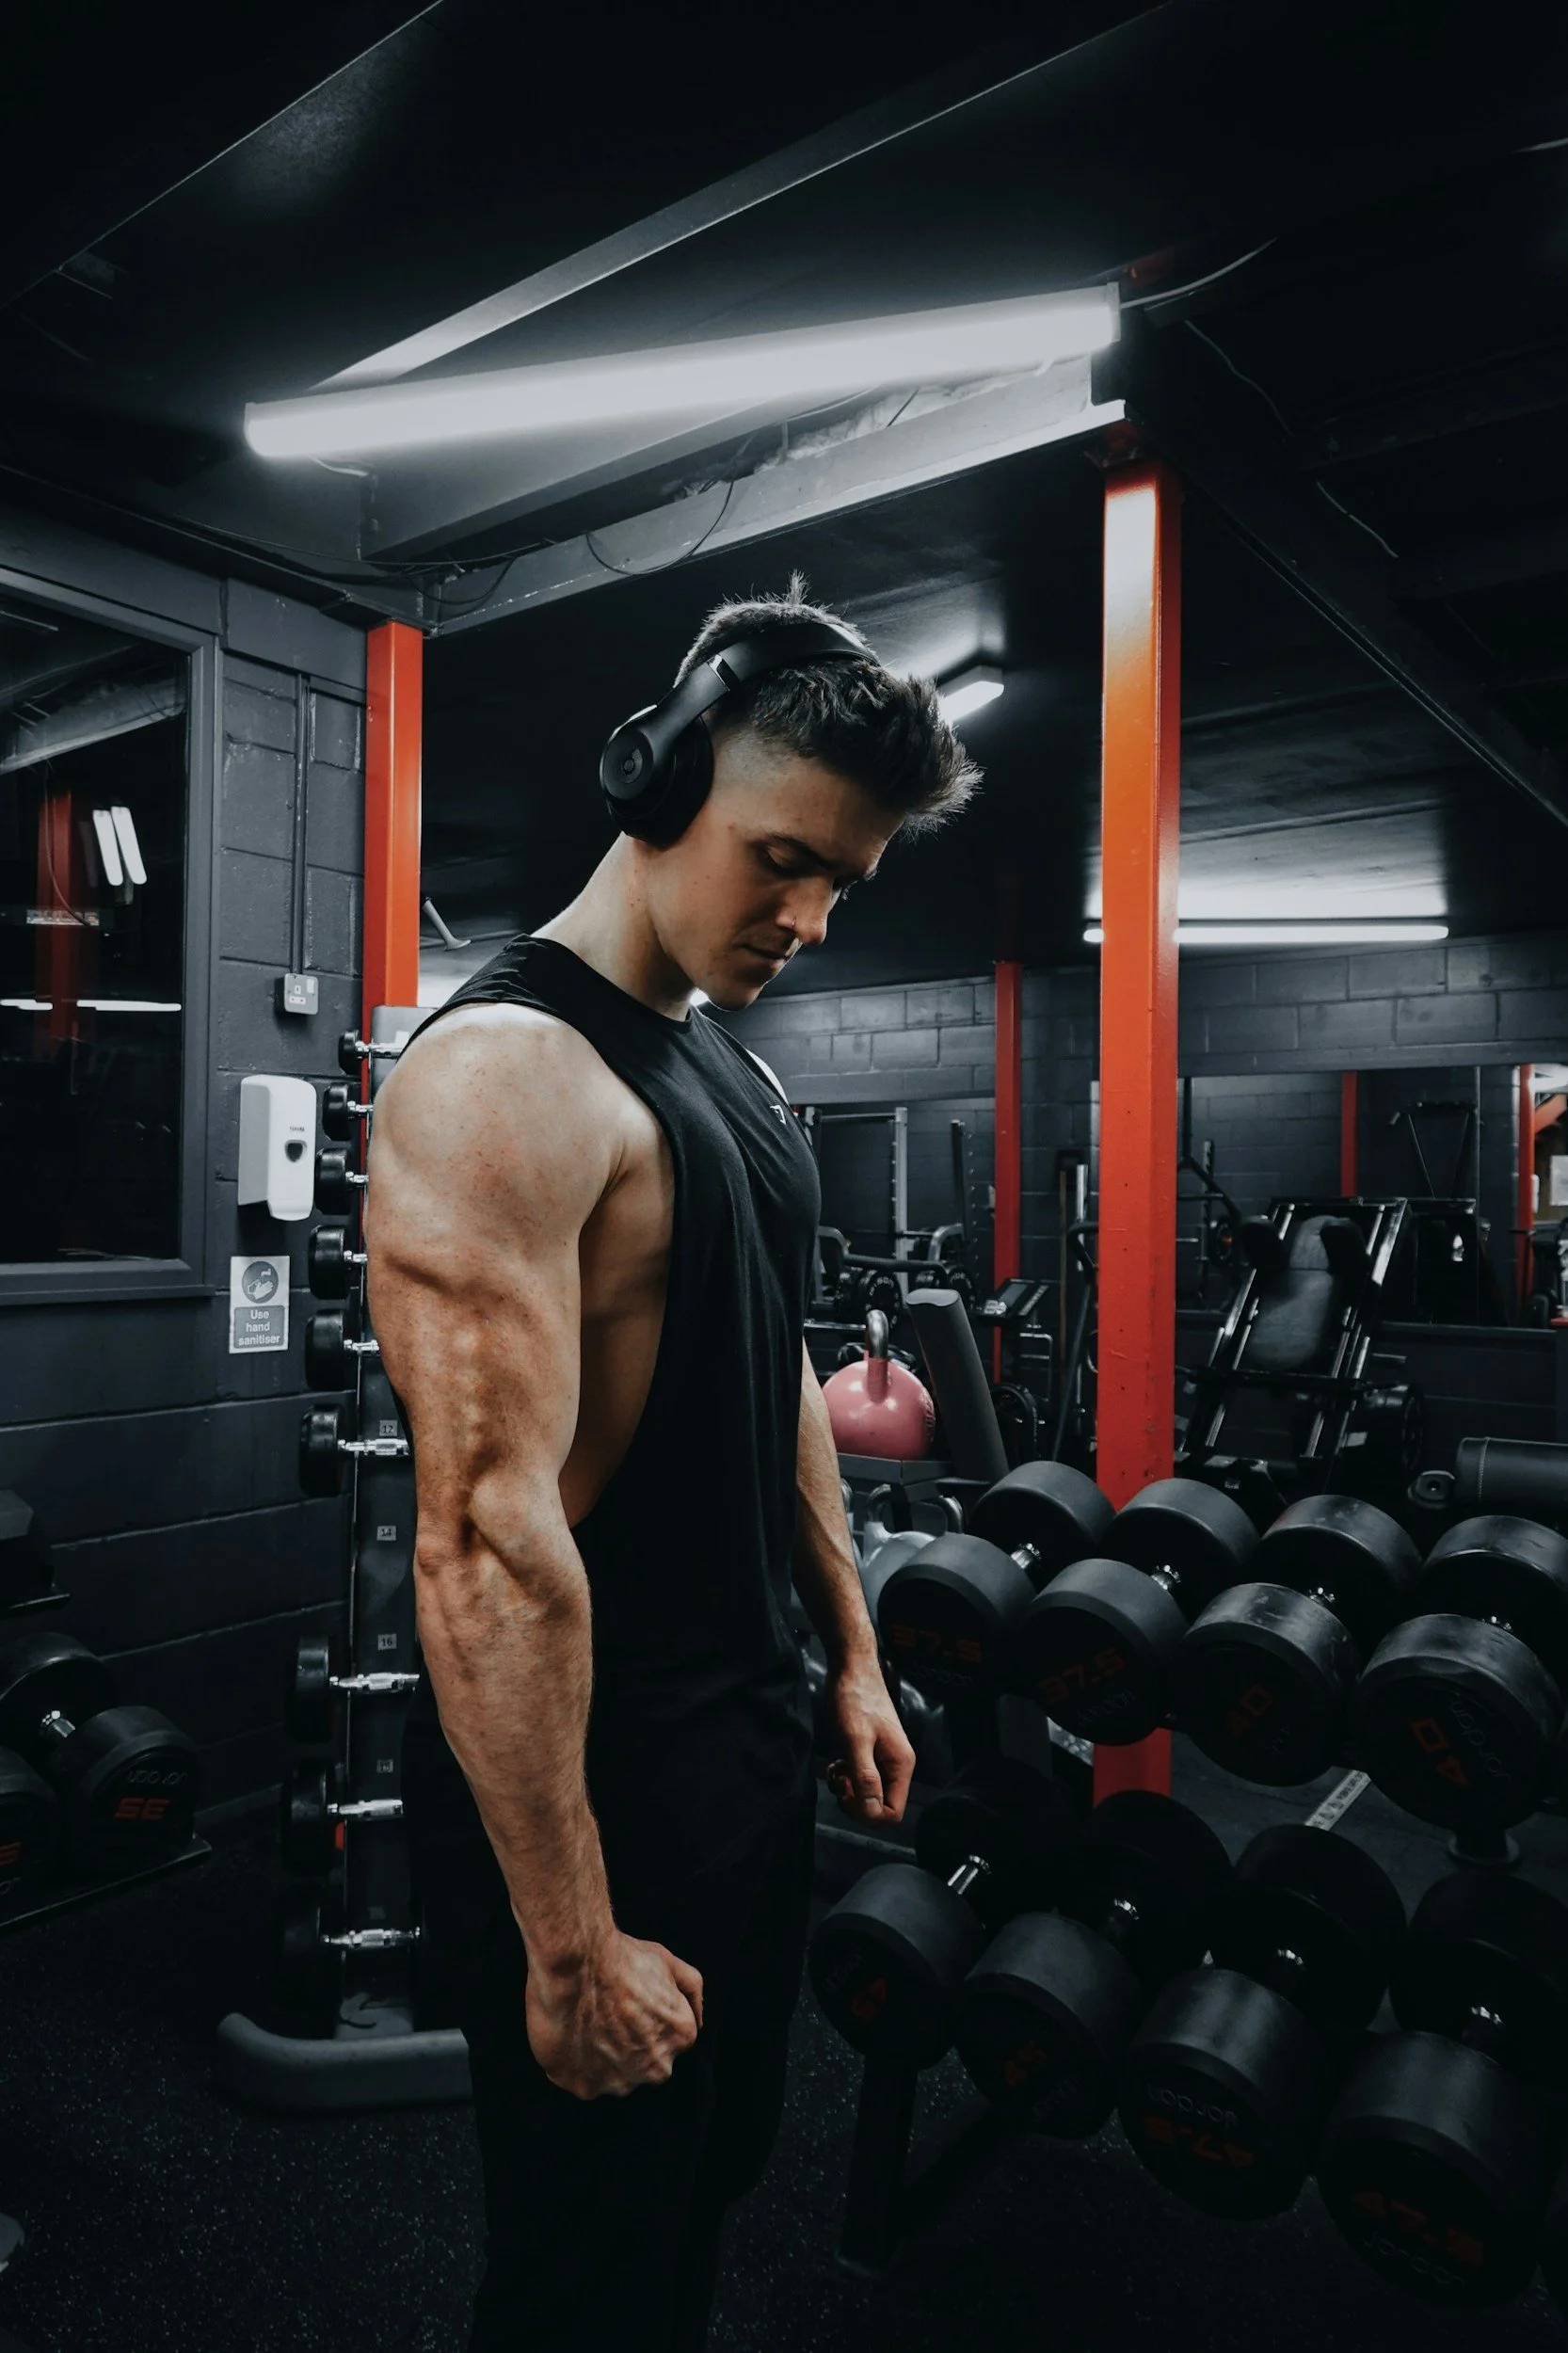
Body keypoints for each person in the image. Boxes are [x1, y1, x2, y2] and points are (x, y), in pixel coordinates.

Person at [368, 582, 980, 2351]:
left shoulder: (723, 1072)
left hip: (738, 1739)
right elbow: (484, 1547)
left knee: (700, 2189)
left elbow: (770, 1355)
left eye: (840, 886)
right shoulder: (503, 1079)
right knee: (585, 2270)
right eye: (777, 856)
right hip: (593, 1777)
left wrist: (845, 1646)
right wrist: (569, 1946)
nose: (804, 916)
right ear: (659, 789)